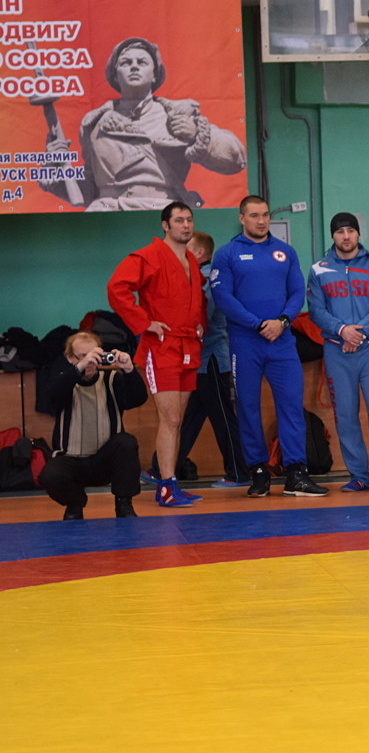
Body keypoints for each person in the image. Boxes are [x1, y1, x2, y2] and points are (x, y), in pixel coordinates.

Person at [40, 37, 245, 211]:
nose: (134, 66)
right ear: (115, 75)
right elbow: (87, 192)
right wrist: (55, 165)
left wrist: (195, 135)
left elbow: (236, 159)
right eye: (125, 63)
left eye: (142, 62)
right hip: (108, 215)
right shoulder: (93, 123)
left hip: (161, 212)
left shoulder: (177, 114)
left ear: (154, 74)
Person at [210, 195, 328, 498]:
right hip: (245, 343)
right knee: (247, 406)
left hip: (282, 341)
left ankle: (296, 473)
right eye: (254, 215)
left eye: (264, 215)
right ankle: (258, 472)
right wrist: (257, 324)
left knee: (291, 405)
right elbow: (223, 298)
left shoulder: (285, 252)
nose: (261, 221)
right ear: (242, 218)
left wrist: (282, 321)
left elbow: (297, 292)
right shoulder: (227, 254)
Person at [106, 201, 206, 508]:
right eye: (179, 220)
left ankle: (171, 483)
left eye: (189, 220)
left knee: (178, 420)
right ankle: (165, 486)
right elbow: (117, 288)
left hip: (188, 345)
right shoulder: (148, 255)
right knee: (171, 418)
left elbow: (194, 300)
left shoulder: (190, 259)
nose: (185, 225)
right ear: (165, 225)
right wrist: (144, 322)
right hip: (161, 346)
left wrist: (199, 324)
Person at [151, 231, 249, 488]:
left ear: (199, 253)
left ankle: (239, 472)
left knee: (222, 417)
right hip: (198, 359)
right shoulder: (195, 277)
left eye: (187, 248)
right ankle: (160, 468)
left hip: (211, 357)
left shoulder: (207, 280)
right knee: (188, 418)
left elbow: (201, 315)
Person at [307, 212, 369, 494]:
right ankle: (358, 476)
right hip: (337, 351)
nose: (346, 236)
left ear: (358, 234)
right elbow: (316, 310)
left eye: (350, 231)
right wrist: (342, 330)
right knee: (345, 415)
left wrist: (357, 334)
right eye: (340, 232)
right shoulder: (319, 269)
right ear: (332, 236)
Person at [37, 332, 145, 520]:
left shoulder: (112, 379)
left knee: (126, 442)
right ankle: (75, 504)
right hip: (71, 460)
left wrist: (129, 370)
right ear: (70, 358)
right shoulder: (63, 380)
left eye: (93, 355)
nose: (89, 361)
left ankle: (124, 504)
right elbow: (52, 394)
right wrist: (79, 368)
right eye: (82, 356)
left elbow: (138, 399)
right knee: (50, 475)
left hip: (105, 460)